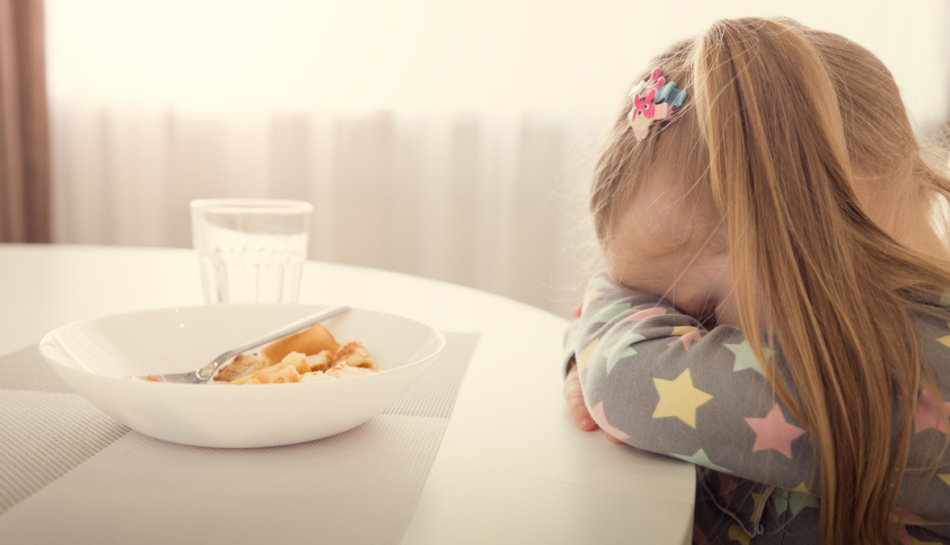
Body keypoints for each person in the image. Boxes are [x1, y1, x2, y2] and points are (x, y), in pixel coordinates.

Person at [561, 17, 950, 545]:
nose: (683, 338)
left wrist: (601, 325)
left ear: (801, 240)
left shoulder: (911, 376)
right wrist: (586, 338)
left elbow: (621, 380)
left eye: (695, 312)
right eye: (657, 308)